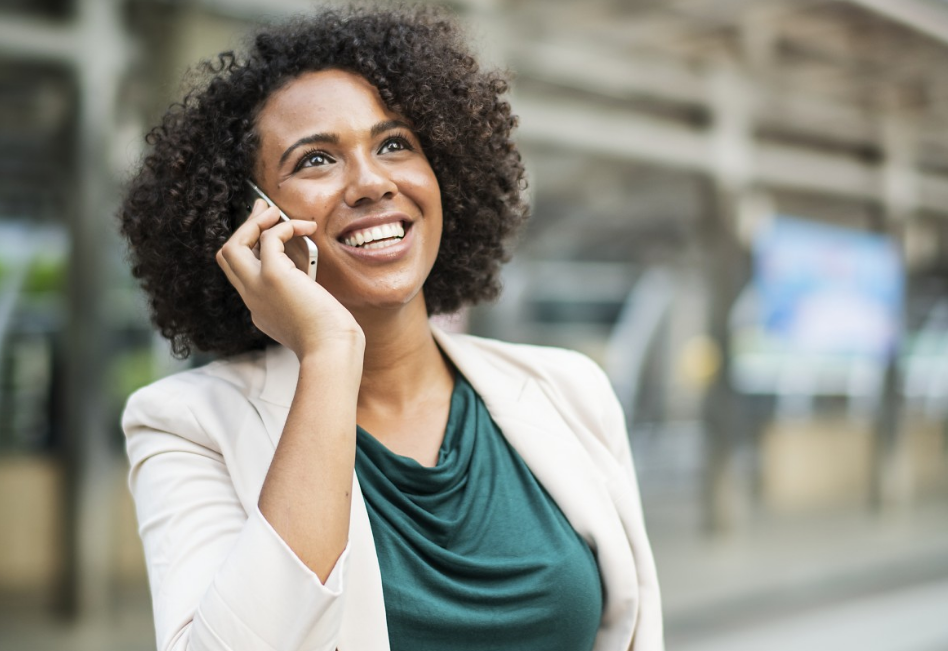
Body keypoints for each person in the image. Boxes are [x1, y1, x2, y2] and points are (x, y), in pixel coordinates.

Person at [118, 6, 663, 651]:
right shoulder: (184, 424)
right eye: (316, 160)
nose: (373, 182)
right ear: (251, 222)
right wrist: (328, 352)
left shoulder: (569, 390)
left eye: (395, 144)